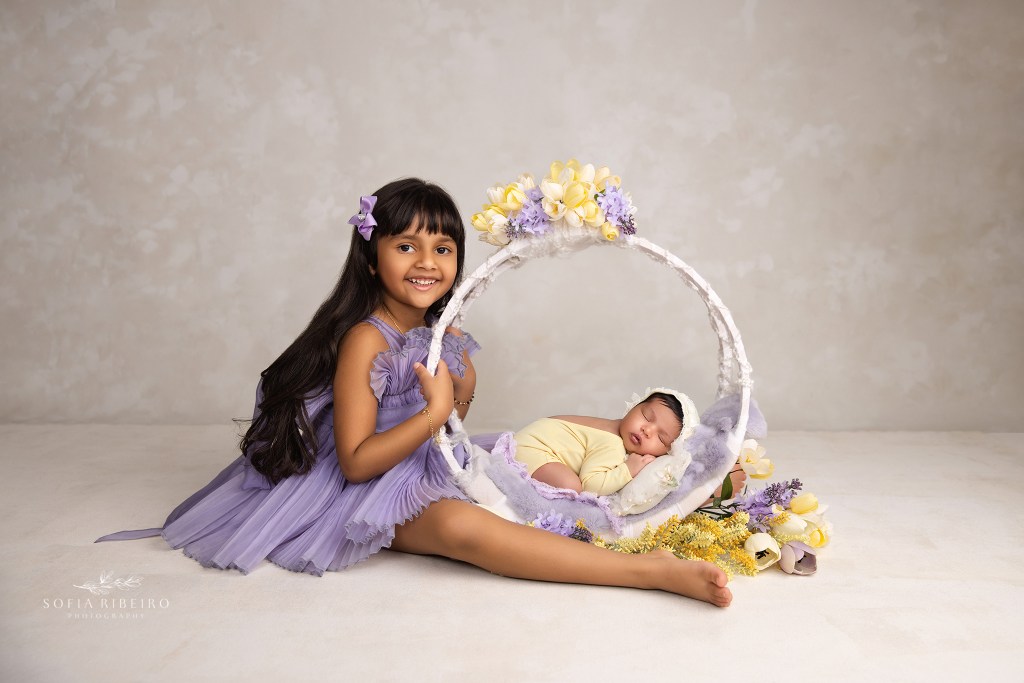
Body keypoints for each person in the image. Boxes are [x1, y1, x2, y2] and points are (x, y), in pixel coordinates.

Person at [95, 178, 733, 608]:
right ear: (373, 259)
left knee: (517, 482)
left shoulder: (436, 332)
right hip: (357, 481)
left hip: (420, 455)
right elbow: (355, 460)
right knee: (464, 528)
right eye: (406, 246)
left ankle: (640, 529)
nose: (427, 261)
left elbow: (454, 421)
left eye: (444, 247)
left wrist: (459, 390)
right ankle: (646, 572)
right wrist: (433, 411)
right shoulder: (365, 342)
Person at [513, 391, 690, 495]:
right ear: (634, 406)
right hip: (532, 448)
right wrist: (627, 470)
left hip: (528, 439)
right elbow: (590, 484)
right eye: (646, 416)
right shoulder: (612, 443)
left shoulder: (611, 425)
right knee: (572, 486)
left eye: (661, 438)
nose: (647, 430)